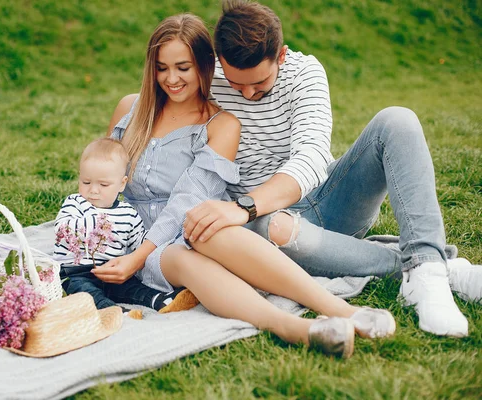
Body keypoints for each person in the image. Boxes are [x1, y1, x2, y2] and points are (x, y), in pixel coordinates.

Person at [92, 13, 396, 358]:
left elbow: (188, 200)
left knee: (206, 226)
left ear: (206, 66)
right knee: (185, 252)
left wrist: (140, 257)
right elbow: (104, 175)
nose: (172, 79)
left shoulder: (220, 124)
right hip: (134, 236)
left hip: (184, 222)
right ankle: (299, 329)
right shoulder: (130, 109)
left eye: (183, 67)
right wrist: (101, 236)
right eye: (162, 68)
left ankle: (342, 311)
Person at [182, 0, 481, 337]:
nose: (248, 94)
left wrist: (243, 207)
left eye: (259, 83)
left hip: (329, 200)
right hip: (266, 228)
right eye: (238, 86)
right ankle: (432, 270)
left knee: (398, 120)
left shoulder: (305, 72)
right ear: (220, 61)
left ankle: (427, 266)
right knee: (276, 225)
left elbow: (310, 156)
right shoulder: (208, 79)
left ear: (280, 55)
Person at [54, 137, 199, 317]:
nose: (93, 190)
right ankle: (113, 312)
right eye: (86, 182)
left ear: (121, 184)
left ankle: (161, 299)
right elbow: (61, 229)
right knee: (84, 293)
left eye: (103, 184)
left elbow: (140, 243)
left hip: (112, 272)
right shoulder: (75, 203)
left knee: (132, 287)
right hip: (77, 272)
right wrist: (98, 222)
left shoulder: (127, 213)